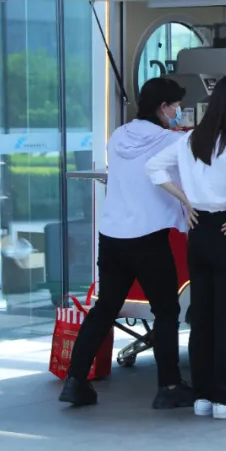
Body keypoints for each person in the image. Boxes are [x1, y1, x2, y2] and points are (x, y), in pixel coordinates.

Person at [60, 77, 195, 409]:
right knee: (166, 311)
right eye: (177, 106)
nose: (179, 111)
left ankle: (75, 380)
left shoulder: (118, 136)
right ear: (163, 107)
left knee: (106, 308)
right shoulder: (172, 141)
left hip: (112, 236)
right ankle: (169, 385)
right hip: (148, 238)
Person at [146, 74, 226, 420]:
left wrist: (186, 200)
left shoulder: (190, 139)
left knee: (203, 317)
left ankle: (203, 396)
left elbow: (154, 168)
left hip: (199, 231)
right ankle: (225, 400)